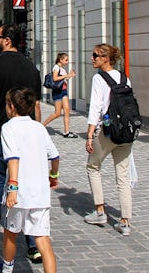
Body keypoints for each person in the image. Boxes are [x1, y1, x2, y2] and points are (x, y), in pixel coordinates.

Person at [0, 24, 44, 264]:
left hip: (0, 134)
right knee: (26, 185)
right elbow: (35, 106)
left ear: (7, 41)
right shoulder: (32, 69)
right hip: (27, 136)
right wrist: (38, 132)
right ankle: (34, 244)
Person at [0, 86, 60, 273]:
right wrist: (54, 176)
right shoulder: (39, 127)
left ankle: (6, 269)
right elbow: (55, 156)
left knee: (10, 233)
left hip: (19, 193)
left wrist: (12, 187)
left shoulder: (8, 128)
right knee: (43, 240)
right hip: (40, 193)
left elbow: (13, 158)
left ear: (11, 106)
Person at [84, 43, 134, 236]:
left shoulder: (99, 78)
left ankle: (99, 211)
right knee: (123, 176)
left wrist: (89, 135)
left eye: (95, 55)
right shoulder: (124, 77)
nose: (92, 58)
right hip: (126, 132)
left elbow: (96, 108)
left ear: (105, 58)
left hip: (108, 131)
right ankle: (125, 221)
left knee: (93, 166)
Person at [42, 53, 78, 138]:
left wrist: (70, 75)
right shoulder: (56, 67)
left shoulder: (61, 69)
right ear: (60, 60)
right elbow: (55, 78)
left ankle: (67, 132)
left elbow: (63, 79)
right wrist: (67, 75)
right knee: (57, 113)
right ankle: (42, 126)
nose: (67, 62)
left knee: (67, 111)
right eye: (66, 60)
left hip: (64, 90)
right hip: (58, 91)